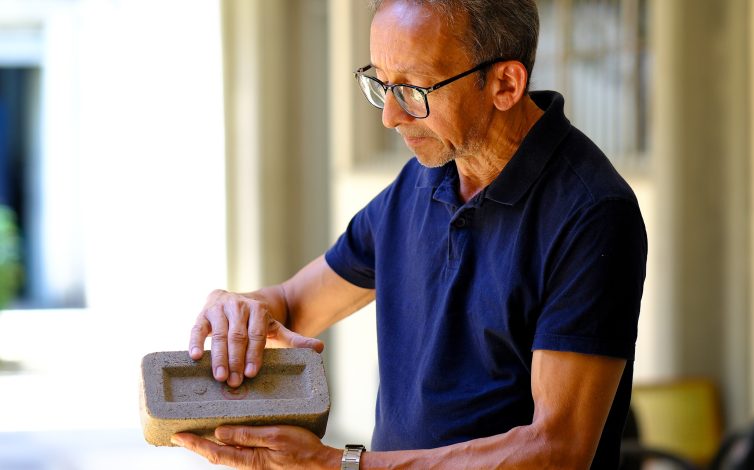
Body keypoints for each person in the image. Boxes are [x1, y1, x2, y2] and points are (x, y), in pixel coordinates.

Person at [172, 0, 648, 468]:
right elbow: (294, 307)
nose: (390, 116)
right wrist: (243, 308)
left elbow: (558, 449)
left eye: (414, 89)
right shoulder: (421, 181)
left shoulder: (592, 213)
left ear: (504, 84)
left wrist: (343, 465)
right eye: (381, 83)